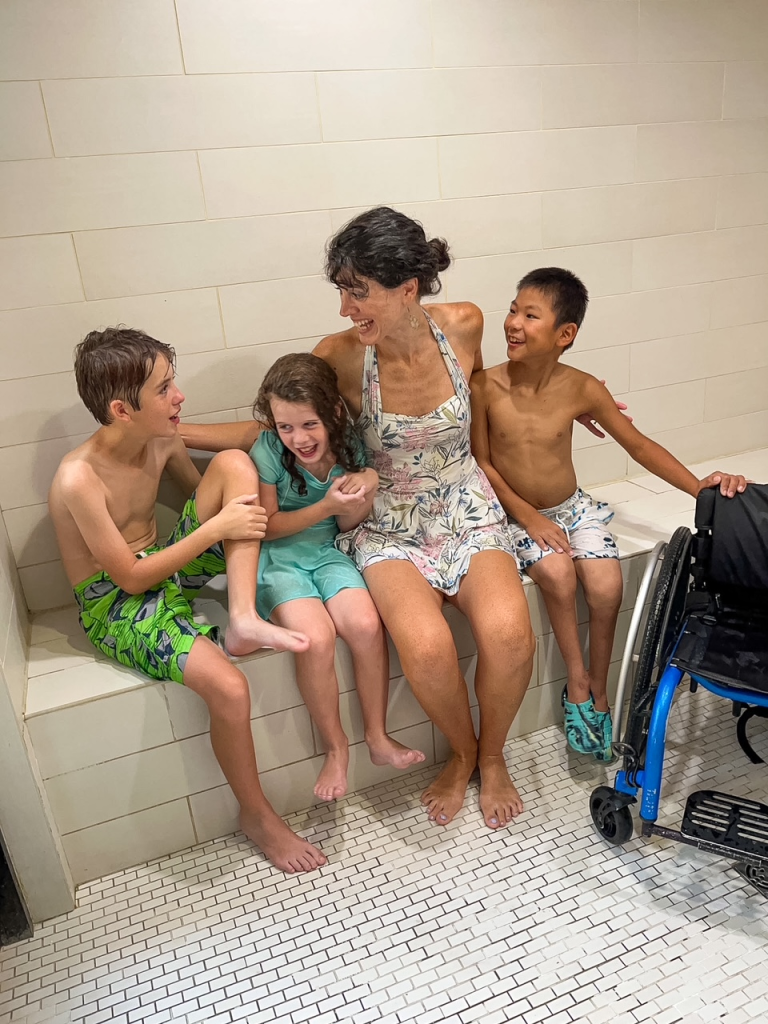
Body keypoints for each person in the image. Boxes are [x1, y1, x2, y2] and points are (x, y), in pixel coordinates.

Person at [49, 327, 327, 874]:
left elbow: (247, 444)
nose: (179, 397)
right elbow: (128, 578)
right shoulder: (78, 478)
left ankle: (243, 616)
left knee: (234, 465)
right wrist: (216, 529)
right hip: (117, 604)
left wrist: (292, 424)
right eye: (165, 389)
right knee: (228, 685)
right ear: (122, 409)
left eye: (173, 382)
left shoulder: (161, 438)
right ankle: (258, 816)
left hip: (170, 570)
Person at [315, 206, 537, 831]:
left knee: (510, 635)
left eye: (357, 292)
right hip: (387, 519)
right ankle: (462, 752)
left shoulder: (464, 325)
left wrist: (576, 398)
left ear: (407, 289)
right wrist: (176, 439)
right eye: (341, 290)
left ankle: (492, 758)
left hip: (464, 503)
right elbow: (281, 429)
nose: (344, 309)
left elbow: (495, 397)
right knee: (429, 649)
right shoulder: (338, 357)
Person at [470, 268, 749, 761]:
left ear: (565, 334)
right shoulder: (486, 387)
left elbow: (638, 446)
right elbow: (483, 463)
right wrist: (530, 518)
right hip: (515, 516)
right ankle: (578, 684)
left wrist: (698, 488)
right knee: (557, 574)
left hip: (573, 508)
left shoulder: (581, 388)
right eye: (513, 309)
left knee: (606, 586)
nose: (513, 322)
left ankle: (600, 684)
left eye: (529, 314)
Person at [250, 353, 426, 801]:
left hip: (329, 552)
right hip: (279, 559)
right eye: (285, 426)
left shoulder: (349, 445)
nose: (297, 438)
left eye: (308, 425)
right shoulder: (269, 451)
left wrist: (363, 486)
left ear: (331, 413)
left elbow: (349, 524)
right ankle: (336, 747)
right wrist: (326, 506)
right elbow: (267, 525)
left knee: (366, 625)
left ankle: (377, 735)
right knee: (316, 638)